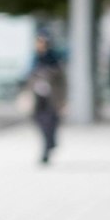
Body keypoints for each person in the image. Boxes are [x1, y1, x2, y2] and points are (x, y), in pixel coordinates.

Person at [24, 34, 67, 165]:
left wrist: (63, 100)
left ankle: (47, 147)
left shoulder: (55, 59)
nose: (40, 45)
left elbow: (63, 82)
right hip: (37, 97)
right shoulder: (34, 59)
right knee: (39, 121)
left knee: (51, 122)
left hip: (52, 97)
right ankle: (49, 143)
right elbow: (28, 78)